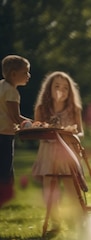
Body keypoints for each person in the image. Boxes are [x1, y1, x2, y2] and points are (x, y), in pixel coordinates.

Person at [31, 71, 85, 234]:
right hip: (48, 151)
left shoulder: (74, 109)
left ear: (70, 92)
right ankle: (56, 222)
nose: (61, 90)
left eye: (65, 88)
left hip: (67, 151)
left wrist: (70, 132)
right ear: (49, 89)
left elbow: (80, 132)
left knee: (71, 188)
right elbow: (36, 129)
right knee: (50, 188)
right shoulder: (42, 108)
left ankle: (79, 222)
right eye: (56, 86)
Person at [0, 55, 31, 207]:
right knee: (5, 172)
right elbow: (15, 117)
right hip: (4, 135)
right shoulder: (12, 92)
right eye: (25, 72)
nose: (28, 76)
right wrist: (33, 124)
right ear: (13, 74)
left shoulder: (1, 86)